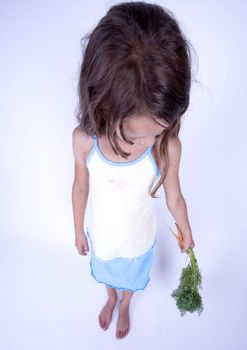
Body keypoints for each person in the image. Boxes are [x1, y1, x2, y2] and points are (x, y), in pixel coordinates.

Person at [72, 1, 196, 340]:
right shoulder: (85, 142)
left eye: (158, 131)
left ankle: (125, 303)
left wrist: (185, 228)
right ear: (100, 107)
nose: (150, 142)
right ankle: (110, 297)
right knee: (108, 275)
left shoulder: (166, 148)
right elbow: (80, 185)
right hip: (104, 237)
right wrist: (79, 229)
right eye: (135, 136)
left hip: (138, 239)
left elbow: (175, 197)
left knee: (130, 282)